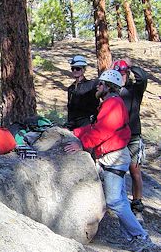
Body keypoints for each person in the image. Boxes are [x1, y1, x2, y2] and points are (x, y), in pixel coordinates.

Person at [64, 70, 151, 250]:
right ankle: (133, 235)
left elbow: (103, 131)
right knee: (120, 199)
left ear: (108, 87)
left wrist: (82, 144)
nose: (98, 86)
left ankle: (139, 235)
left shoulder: (112, 104)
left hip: (114, 158)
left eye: (101, 84)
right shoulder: (111, 103)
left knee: (114, 201)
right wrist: (76, 133)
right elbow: (97, 126)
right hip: (114, 156)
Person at [113, 59, 148, 217]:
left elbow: (143, 78)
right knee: (116, 170)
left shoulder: (134, 90)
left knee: (134, 171)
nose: (122, 76)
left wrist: (131, 65)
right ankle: (117, 203)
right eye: (119, 73)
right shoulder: (112, 92)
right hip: (117, 137)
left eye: (124, 73)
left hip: (133, 135)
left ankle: (137, 204)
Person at [66, 55, 99, 130]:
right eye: (73, 68)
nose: (75, 71)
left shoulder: (91, 85)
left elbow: (96, 106)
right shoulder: (71, 88)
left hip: (87, 123)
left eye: (78, 68)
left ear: (84, 70)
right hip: (73, 124)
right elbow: (70, 109)